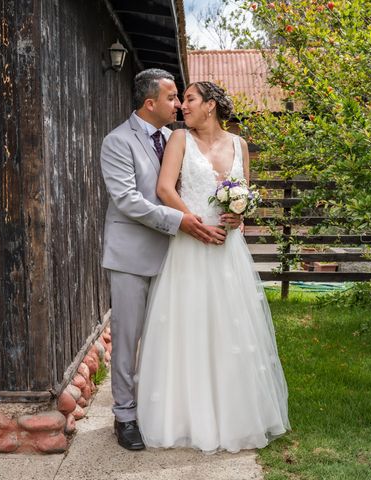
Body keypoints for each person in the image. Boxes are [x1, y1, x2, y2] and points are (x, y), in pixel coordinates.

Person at [136, 81, 290, 453]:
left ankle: (234, 415)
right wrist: (195, 223)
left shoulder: (239, 145)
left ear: (211, 106)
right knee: (189, 327)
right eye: (181, 100)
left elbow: (245, 195)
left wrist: (240, 216)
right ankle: (187, 417)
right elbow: (165, 189)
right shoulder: (178, 140)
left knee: (232, 329)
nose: (181, 107)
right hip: (191, 245)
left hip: (228, 251)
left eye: (189, 100)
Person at [100, 70, 227, 451]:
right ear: (150, 103)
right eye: (173, 98)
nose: (179, 104)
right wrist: (181, 220)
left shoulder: (178, 139)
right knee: (128, 337)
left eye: (181, 98)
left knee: (167, 340)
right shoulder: (117, 141)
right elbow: (128, 200)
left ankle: (160, 410)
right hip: (132, 256)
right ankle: (124, 415)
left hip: (176, 257)